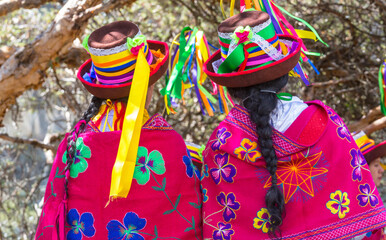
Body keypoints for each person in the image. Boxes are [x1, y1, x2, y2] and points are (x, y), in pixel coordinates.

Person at [201, 10, 386, 239]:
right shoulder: (326, 123)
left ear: (231, 87)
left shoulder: (222, 143)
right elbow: (361, 209)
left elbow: (220, 224)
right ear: (284, 75)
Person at [35, 21, 202, 239]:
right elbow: (186, 217)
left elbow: (53, 218)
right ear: (147, 85)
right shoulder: (170, 144)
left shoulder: (73, 145)